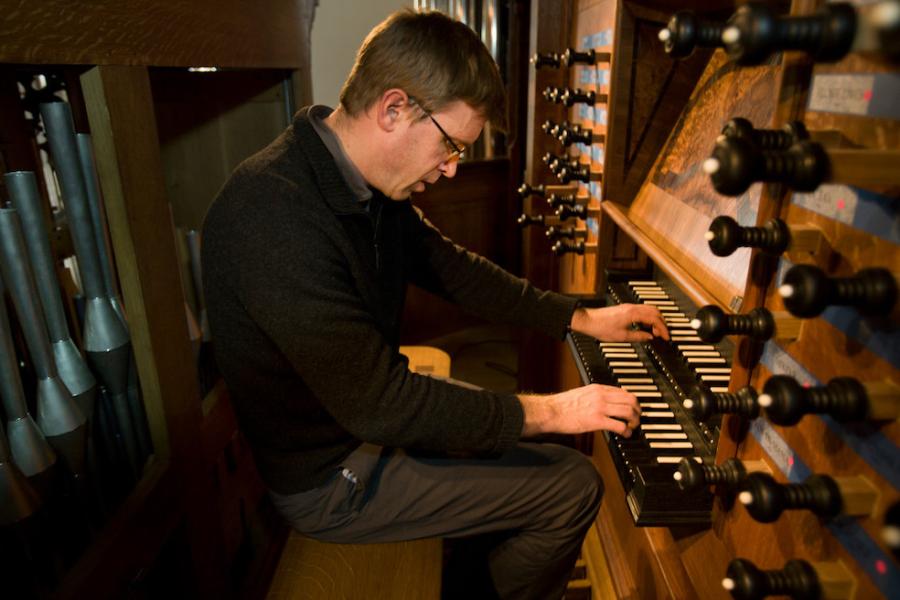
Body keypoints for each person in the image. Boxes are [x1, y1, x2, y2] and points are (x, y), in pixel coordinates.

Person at [202, 9, 668, 599]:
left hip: (361, 426)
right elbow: (383, 406)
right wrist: (555, 411)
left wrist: (579, 317)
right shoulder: (272, 219)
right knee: (571, 483)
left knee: (523, 440)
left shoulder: (357, 182)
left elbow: (453, 270)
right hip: (329, 479)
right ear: (393, 109)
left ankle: (469, 575)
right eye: (451, 146)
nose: (452, 169)